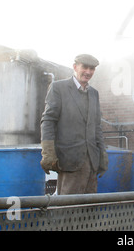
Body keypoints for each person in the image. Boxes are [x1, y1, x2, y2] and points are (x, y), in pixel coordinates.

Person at [40, 54, 108, 195]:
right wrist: (48, 154)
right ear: (75, 67)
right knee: (68, 209)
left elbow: (97, 127)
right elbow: (48, 121)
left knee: (89, 210)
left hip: (91, 162)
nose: (88, 72)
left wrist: (102, 155)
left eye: (92, 69)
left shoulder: (94, 93)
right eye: (85, 67)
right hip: (69, 161)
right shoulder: (59, 88)